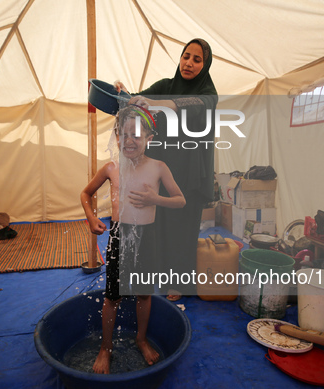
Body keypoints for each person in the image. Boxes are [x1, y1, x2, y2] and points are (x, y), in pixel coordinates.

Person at [81, 107, 185, 374]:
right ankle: (105, 347)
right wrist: (92, 218)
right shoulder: (111, 168)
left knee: (143, 293)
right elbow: (85, 193)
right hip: (119, 235)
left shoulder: (158, 167)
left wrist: (156, 200)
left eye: (136, 135)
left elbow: (180, 201)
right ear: (116, 137)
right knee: (112, 296)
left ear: (149, 137)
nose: (129, 140)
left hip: (146, 238)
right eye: (123, 134)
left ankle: (140, 339)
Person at [115, 38, 218, 301]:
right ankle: (159, 274)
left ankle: (180, 283)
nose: (189, 63)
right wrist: (124, 94)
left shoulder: (207, 93)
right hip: (162, 167)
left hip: (190, 172)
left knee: (183, 229)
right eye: (186, 56)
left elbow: (195, 104)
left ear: (205, 65)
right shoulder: (165, 85)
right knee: (158, 225)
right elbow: (137, 101)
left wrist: (162, 103)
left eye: (197, 59)